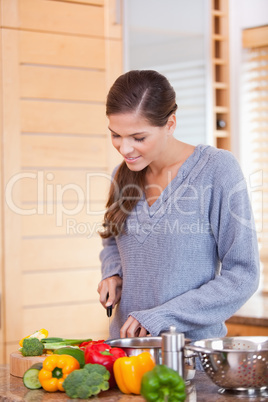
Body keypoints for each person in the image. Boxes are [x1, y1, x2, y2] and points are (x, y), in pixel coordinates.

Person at [97, 70, 260, 341]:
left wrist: (163, 316)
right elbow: (112, 239)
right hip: (125, 355)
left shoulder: (217, 170)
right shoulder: (122, 174)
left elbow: (243, 275)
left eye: (138, 138)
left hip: (190, 358)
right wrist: (112, 273)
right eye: (116, 135)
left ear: (170, 124)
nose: (125, 149)